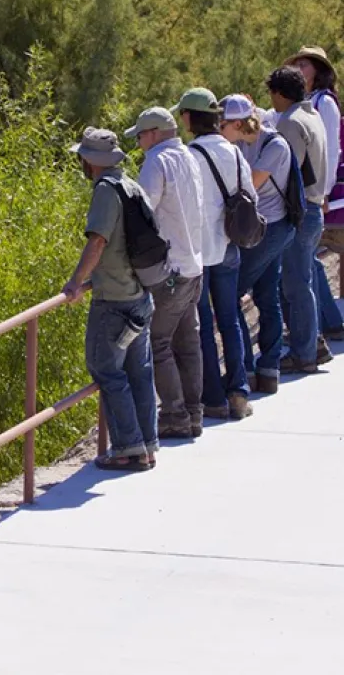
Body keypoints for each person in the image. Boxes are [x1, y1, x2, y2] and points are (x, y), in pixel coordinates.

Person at [61, 127, 158, 471]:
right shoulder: (131, 185)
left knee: (106, 370)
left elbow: (97, 241)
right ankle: (146, 444)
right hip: (140, 296)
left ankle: (128, 448)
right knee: (139, 372)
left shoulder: (105, 190)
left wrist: (75, 282)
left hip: (114, 300)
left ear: (90, 161)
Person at [175, 87, 257, 421]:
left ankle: (213, 398)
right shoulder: (234, 152)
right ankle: (238, 391)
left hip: (199, 250)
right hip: (228, 245)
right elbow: (249, 194)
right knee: (231, 317)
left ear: (190, 118)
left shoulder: (188, 156)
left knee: (204, 324)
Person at [124, 106, 205, 440]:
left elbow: (144, 211)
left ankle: (173, 414)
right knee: (189, 342)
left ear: (154, 133)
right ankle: (194, 414)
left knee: (158, 343)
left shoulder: (156, 162)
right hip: (194, 265)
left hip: (170, 270)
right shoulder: (189, 157)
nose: (139, 142)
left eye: (141, 135)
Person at [219, 95, 296, 395]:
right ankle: (268, 370)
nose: (218, 128)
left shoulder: (275, 146)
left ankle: (248, 369)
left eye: (222, 123)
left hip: (272, 228)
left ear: (238, 123)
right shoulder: (238, 143)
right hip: (256, 228)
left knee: (234, 292)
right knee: (266, 294)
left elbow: (249, 184)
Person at [268, 65, 331, 374]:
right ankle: (313, 344)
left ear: (280, 94)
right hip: (315, 206)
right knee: (301, 280)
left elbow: (285, 172)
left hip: (299, 210)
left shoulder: (290, 122)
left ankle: (304, 353)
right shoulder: (313, 115)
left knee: (295, 285)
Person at [286, 46, 344, 342]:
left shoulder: (326, 103)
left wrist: (323, 190)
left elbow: (331, 151)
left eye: (305, 65)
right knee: (307, 258)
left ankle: (322, 327)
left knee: (305, 258)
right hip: (309, 193)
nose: (300, 69)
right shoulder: (307, 102)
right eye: (297, 64)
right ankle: (330, 322)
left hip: (319, 193)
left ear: (318, 71)